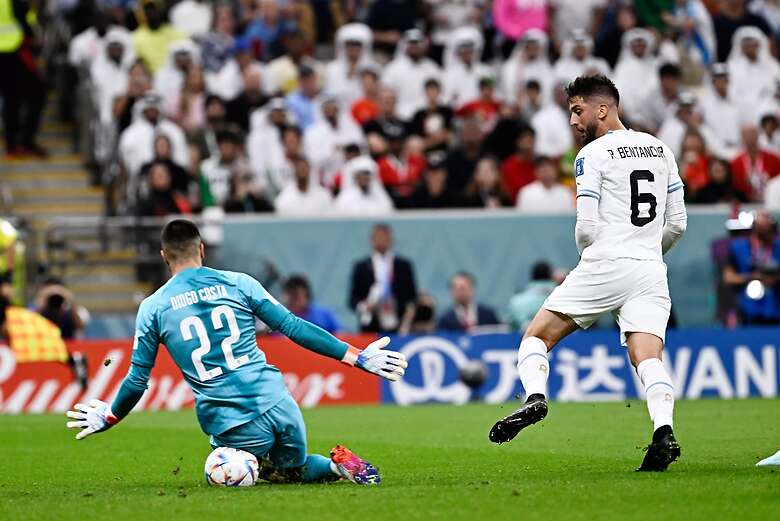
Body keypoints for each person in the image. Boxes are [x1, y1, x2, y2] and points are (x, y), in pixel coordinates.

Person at [65, 219, 408, 486]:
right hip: (281, 405)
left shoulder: (153, 307)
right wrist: (357, 357)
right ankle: (335, 464)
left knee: (228, 469)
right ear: (201, 249)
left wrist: (110, 415)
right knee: (292, 467)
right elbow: (293, 327)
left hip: (233, 422)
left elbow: (137, 380)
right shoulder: (240, 283)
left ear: (163, 256)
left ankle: (252, 463)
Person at [488, 75, 688, 473]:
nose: (574, 121)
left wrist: (594, 258)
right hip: (650, 268)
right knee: (648, 358)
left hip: (605, 261)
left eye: (578, 111)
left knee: (537, 337)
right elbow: (678, 223)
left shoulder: (592, 155)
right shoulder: (660, 148)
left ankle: (535, 397)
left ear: (603, 109)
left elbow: (585, 226)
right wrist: (646, 249)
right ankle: (664, 430)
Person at [348, 223, 417, 333]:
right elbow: (352, 299)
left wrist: (407, 318)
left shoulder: (403, 265)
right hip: (371, 326)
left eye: (385, 237)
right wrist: (365, 306)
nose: (381, 240)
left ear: (391, 240)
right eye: (378, 237)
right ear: (371, 240)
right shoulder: (361, 267)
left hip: (398, 325)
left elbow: (412, 296)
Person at [0, 0, 47, 157]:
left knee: (12, 99)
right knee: (37, 94)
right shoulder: (16, 3)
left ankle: (14, 144)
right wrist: (35, 39)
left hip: (10, 53)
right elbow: (26, 26)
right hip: (14, 52)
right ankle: (24, 142)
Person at [722, 210, 780, 324]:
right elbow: (728, 277)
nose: (766, 235)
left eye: (769, 230)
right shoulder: (739, 248)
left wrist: (774, 279)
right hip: (747, 310)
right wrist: (751, 277)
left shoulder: (778, 248)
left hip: (775, 308)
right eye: (761, 230)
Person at [381, 29, 440, 120]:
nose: (414, 46)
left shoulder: (432, 68)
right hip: (400, 116)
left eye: (417, 43)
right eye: (411, 43)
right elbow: (385, 96)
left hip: (427, 116)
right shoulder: (392, 68)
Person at [507, 262, 558, 332]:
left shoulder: (516, 302)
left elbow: (512, 326)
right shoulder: (566, 298)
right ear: (552, 276)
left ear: (532, 276)